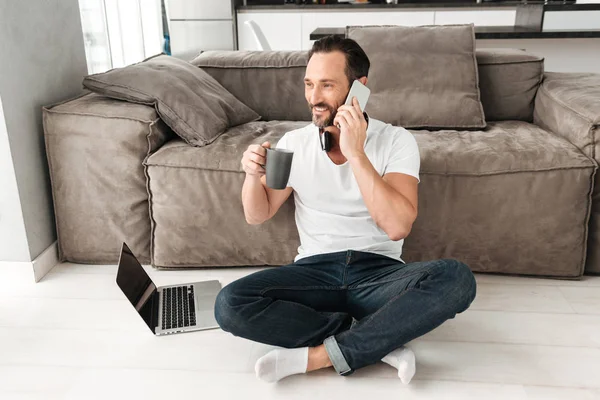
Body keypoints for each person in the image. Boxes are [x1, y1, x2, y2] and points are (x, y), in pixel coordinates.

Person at [214, 35, 477, 384]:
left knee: (456, 279)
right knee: (229, 304)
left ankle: (322, 356)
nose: (313, 98)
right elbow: (257, 214)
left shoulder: (397, 142)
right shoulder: (294, 144)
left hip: (379, 275)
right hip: (314, 273)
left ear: (359, 88)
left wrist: (356, 153)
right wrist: (251, 176)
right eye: (309, 84)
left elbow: (397, 226)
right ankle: (376, 340)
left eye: (326, 85)